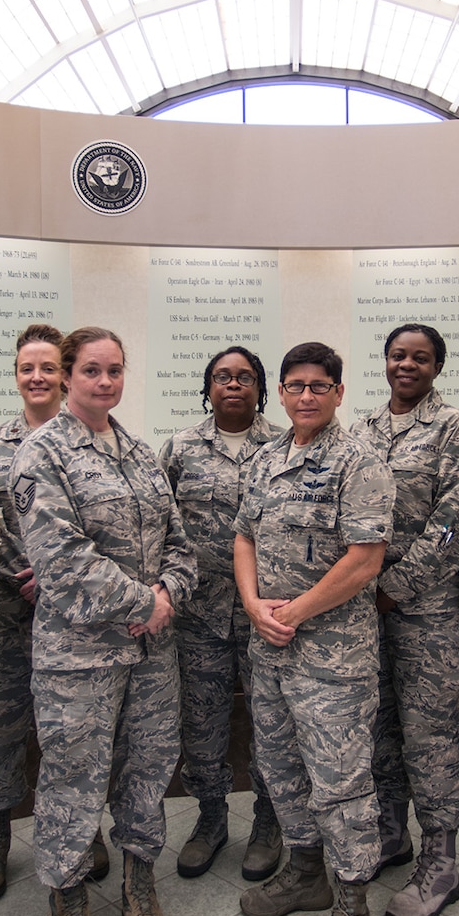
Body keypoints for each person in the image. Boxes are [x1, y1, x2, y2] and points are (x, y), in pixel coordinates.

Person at [13, 327, 197, 916]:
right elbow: (60, 561)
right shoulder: (42, 454)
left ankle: (139, 886)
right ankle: (65, 901)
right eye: (91, 370)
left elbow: (180, 542)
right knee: (74, 774)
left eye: (115, 370)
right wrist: (142, 603)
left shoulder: (141, 454)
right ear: (66, 376)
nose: (105, 382)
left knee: (148, 768)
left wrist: (168, 592)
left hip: (153, 651)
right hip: (78, 656)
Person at [232, 342, 395, 916]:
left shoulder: (358, 459)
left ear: (337, 391)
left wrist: (293, 611)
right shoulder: (268, 457)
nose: (306, 396)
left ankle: (352, 908)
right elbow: (243, 535)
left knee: (341, 783)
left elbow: (365, 559)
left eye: (318, 386)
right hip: (270, 649)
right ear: (282, 390)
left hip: (333, 657)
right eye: (295, 385)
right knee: (279, 767)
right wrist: (252, 604)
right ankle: (306, 873)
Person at [0, 324, 107, 902]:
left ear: (66, 374)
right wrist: (22, 573)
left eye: (49, 367)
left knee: (74, 733)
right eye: (28, 367)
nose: (38, 377)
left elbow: (101, 526)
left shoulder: (94, 441)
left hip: (74, 618)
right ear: (16, 374)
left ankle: (83, 829)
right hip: (7, 612)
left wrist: (54, 576)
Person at [352, 323, 459, 916]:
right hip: (364, 610)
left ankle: (441, 858)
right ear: (384, 362)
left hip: (427, 614)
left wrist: (394, 589)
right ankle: (390, 833)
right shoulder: (361, 431)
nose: (407, 365)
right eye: (398, 355)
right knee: (378, 727)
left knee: (429, 734)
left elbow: (456, 523)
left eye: (420, 358)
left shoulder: (453, 428)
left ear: (437, 367)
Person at [159, 347, 283, 881]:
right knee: (201, 724)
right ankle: (210, 819)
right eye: (222, 377)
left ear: (261, 387)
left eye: (245, 377)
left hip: (267, 615)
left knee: (270, 723)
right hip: (199, 616)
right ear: (207, 387)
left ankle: (267, 821)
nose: (233, 384)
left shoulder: (284, 445)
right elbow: (158, 525)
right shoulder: (180, 448)